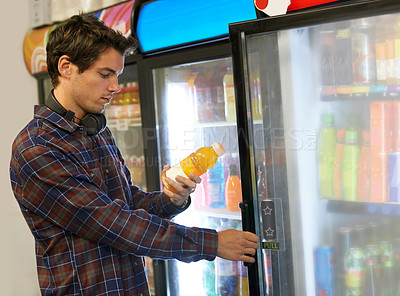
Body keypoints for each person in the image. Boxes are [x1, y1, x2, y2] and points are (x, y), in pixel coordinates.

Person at [9, 14, 259, 295]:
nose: (115, 86)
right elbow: (114, 223)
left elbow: (127, 202)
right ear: (66, 67)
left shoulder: (96, 129)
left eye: (117, 75)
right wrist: (212, 243)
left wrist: (170, 200)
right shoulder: (38, 149)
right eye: (105, 75)